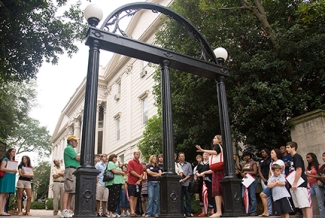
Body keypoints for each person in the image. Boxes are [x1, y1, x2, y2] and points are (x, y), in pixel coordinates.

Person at [196, 135, 224, 217]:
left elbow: (215, 152)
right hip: (217, 171)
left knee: (217, 191)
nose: (213, 139)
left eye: (215, 138)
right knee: (219, 192)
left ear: (219, 140)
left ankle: (219, 211)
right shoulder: (219, 147)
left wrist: (202, 150)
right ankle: (222, 210)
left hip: (218, 171)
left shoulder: (218, 146)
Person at [286, 141, 312, 218]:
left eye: (288, 147)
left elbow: (299, 170)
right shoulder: (291, 158)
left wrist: (295, 182)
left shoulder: (297, 157)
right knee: (301, 205)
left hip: (299, 183)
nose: (287, 149)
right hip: (293, 183)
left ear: (293, 148)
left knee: (304, 203)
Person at [259, 148, 285, 217]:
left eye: (273, 153)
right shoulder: (271, 163)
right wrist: (269, 181)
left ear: (276, 154)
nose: (271, 154)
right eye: (271, 153)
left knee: (279, 198)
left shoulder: (280, 162)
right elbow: (270, 173)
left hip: (278, 181)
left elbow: (280, 172)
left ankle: (276, 211)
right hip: (272, 182)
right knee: (263, 194)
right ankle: (266, 211)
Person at [61, 135, 80, 218]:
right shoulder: (68, 148)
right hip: (70, 170)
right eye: (75, 141)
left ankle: (68, 209)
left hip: (74, 170)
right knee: (68, 190)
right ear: (71, 141)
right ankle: (64, 209)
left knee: (71, 191)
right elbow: (78, 158)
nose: (77, 143)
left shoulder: (72, 149)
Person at [306, 152, 324, 218]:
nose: (307, 159)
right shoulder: (308, 167)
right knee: (306, 199)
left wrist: (310, 175)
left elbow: (320, 176)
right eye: (306, 157)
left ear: (313, 158)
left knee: (320, 203)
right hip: (310, 186)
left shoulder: (319, 166)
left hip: (317, 185)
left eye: (309, 157)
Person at [0, 148, 17, 216]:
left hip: (11, 177)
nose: (14, 153)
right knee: (2, 194)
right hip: (6, 177)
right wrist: (12, 170)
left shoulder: (13, 160)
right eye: (12, 151)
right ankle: (1, 210)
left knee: (6, 194)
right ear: (9, 152)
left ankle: (3, 210)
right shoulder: (5, 159)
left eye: (15, 151)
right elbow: (2, 168)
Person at [241, 151, 258, 216]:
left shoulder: (253, 163)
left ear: (249, 156)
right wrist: (242, 174)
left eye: (247, 156)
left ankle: (253, 211)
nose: (245, 157)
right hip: (245, 180)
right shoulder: (244, 164)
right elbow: (242, 171)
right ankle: (247, 210)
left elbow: (255, 172)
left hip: (252, 180)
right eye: (244, 156)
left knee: (252, 196)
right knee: (243, 195)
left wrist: (247, 173)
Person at [127, 151, 143, 217]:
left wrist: (139, 180)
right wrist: (139, 176)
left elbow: (142, 173)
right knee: (131, 196)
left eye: (139, 154)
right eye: (137, 154)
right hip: (131, 182)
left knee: (136, 197)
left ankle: (134, 211)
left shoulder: (140, 164)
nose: (138, 155)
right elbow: (131, 171)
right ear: (134, 155)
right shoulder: (130, 162)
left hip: (138, 183)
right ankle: (132, 211)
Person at [258, 148, 272, 216]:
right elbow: (259, 170)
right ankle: (268, 210)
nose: (262, 153)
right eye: (261, 152)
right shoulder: (261, 161)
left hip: (270, 178)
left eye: (263, 152)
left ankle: (271, 210)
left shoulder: (271, 160)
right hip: (263, 178)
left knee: (271, 194)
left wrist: (269, 178)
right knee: (266, 195)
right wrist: (263, 178)